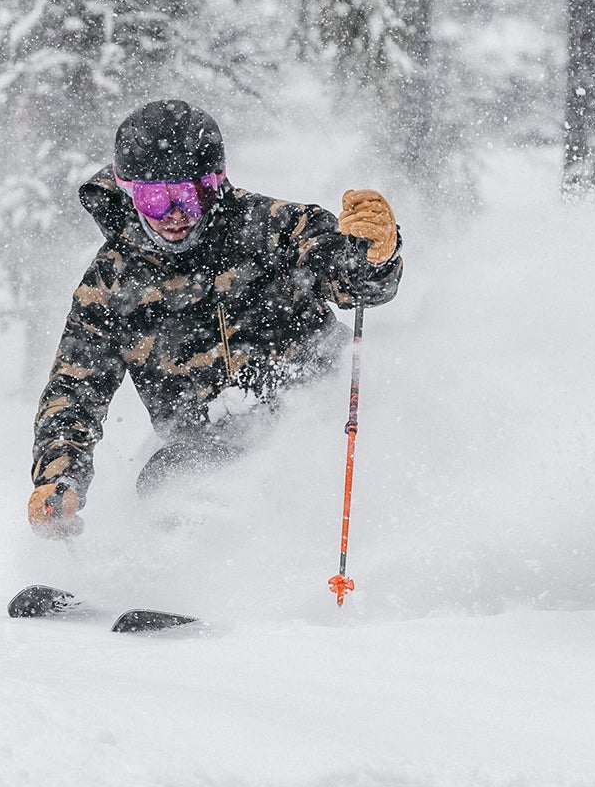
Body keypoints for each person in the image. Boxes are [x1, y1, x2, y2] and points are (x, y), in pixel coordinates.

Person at [27, 100, 403, 538]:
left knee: (277, 479)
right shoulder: (113, 283)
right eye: (153, 198)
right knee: (168, 481)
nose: (173, 215)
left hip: (319, 423)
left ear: (213, 186)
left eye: (186, 194)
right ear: (129, 193)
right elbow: (75, 389)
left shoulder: (272, 228)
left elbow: (355, 286)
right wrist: (60, 478)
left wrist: (373, 254)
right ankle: (182, 581)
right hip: (205, 446)